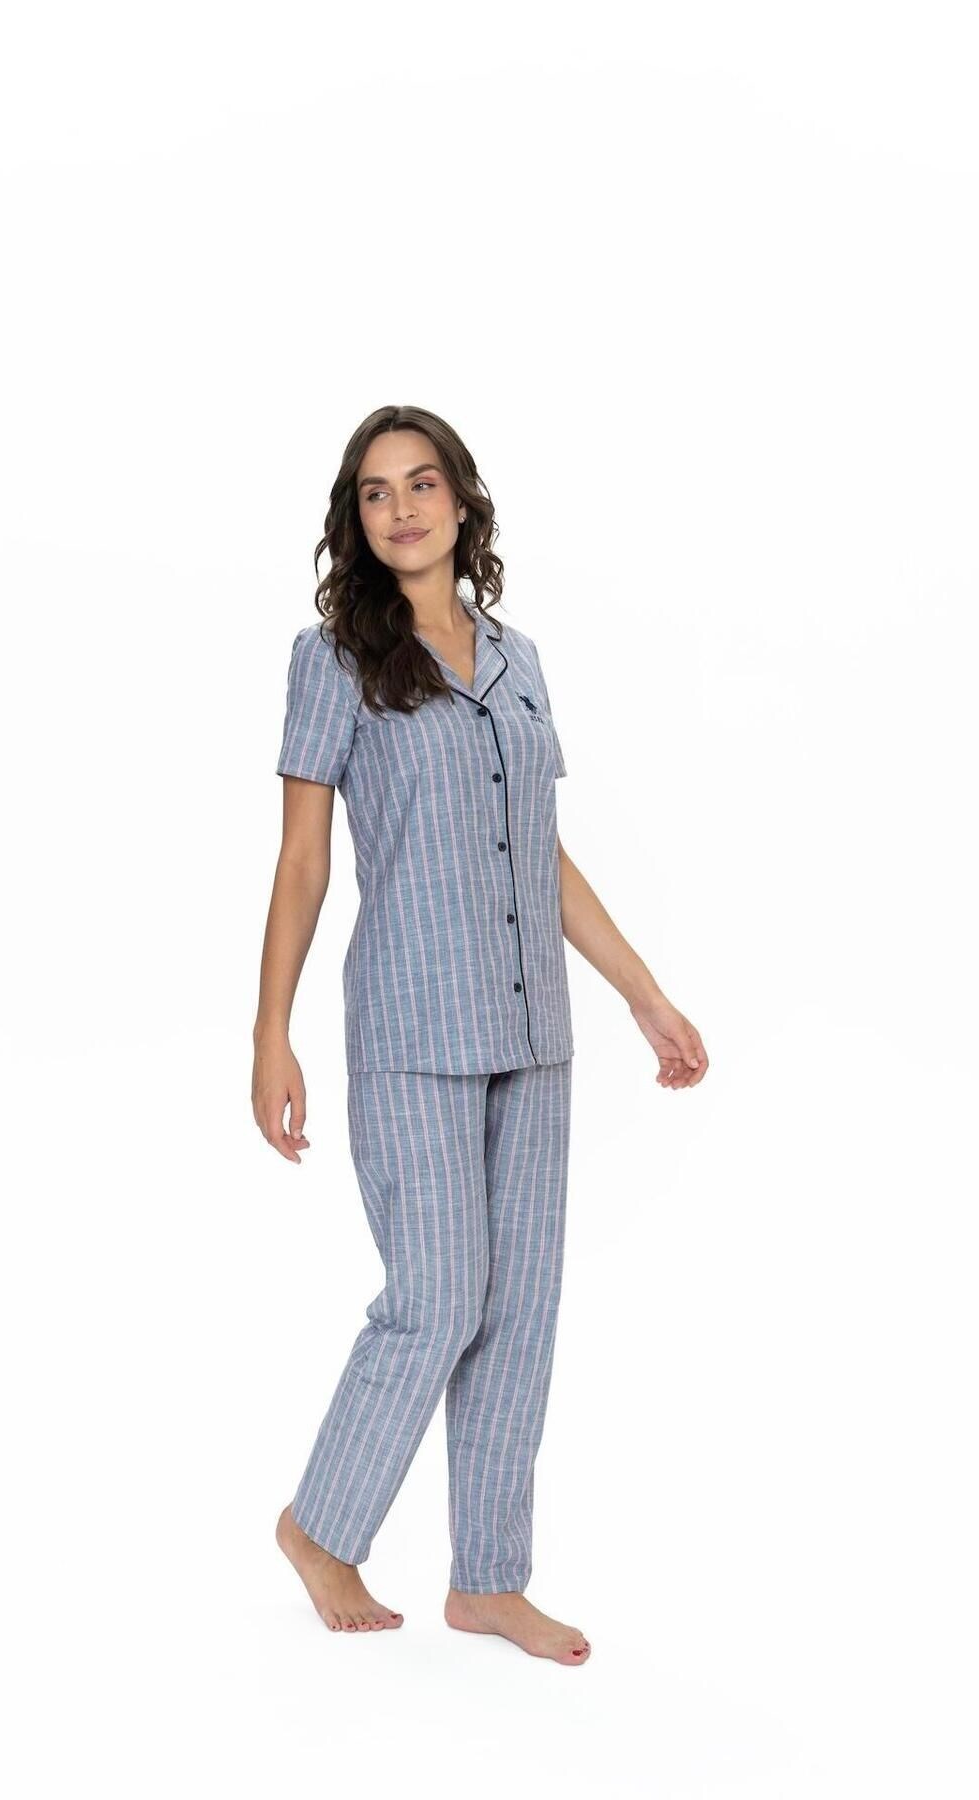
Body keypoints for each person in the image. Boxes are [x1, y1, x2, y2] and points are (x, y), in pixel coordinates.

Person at [253, 404, 708, 1665]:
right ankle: (320, 1525)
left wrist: (644, 994)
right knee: (439, 1297)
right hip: (411, 1025)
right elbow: (302, 862)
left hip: (531, 1025)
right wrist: (271, 1033)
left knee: (521, 1307)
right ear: (356, 519)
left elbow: (539, 855)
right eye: (375, 491)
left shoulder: (520, 661)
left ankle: (490, 1580)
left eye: (422, 483)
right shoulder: (332, 661)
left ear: (461, 501)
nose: (401, 508)